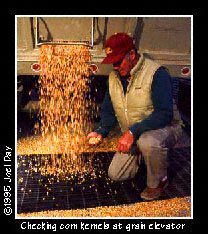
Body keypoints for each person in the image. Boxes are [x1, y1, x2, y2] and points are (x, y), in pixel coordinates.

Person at [87, 32, 183, 201]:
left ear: (132, 55)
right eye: (112, 63)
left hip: (165, 128)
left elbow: (164, 114)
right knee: (115, 174)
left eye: (118, 61)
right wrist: (100, 131)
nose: (115, 67)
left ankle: (159, 181)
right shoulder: (114, 78)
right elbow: (109, 111)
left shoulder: (156, 74)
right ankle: (146, 158)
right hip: (136, 133)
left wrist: (132, 132)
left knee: (149, 142)